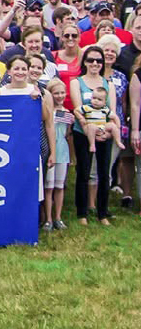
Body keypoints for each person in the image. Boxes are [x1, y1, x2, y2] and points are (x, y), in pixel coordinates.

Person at [70, 46, 115, 225]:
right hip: (83, 133)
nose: (95, 63)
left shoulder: (108, 84)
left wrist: (106, 132)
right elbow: (77, 109)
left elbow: (111, 111)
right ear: (85, 62)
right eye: (91, 60)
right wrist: (89, 129)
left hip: (104, 133)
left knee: (104, 172)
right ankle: (82, 212)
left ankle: (102, 213)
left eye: (99, 60)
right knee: (84, 171)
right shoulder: (76, 82)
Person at [45, 79, 72, 230]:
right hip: (50, 149)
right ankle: (48, 218)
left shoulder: (66, 112)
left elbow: (67, 133)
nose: (60, 96)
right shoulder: (47, 110)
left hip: (63, 150)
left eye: (62, 93)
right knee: (48, 186)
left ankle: (58, 217)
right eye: (56, 93)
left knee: (59, 185)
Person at [79, 86, 124, 153]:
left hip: (103, 126)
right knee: (91, 126)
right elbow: (76, 110)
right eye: (94, 98)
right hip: (92, 127)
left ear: (104, 102)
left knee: (112, 125)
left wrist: (118, 126)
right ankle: (92, 144)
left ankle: (118, 141)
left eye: (99, 99)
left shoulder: (105, 109)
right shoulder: (87, 107)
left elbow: (115, 117)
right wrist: (81, 118)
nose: (96, 101)